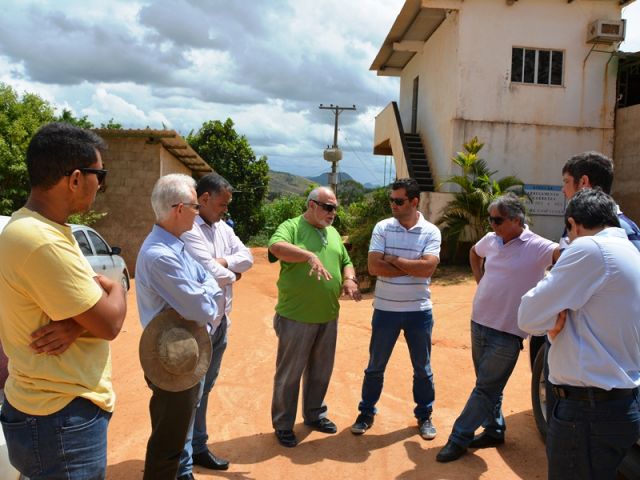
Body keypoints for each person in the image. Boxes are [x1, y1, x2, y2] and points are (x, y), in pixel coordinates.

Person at [0, 122, 127, 478]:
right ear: (75, 179)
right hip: (60, 416)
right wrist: (118, 288)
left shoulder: (36, 228)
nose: (100, 186)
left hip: (46, 409)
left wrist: (76, 323)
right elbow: (111, 322)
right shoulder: (42, 241)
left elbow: (79, 306)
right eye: (98, 175)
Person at [518, 189, 640, 480]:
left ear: (573, 224)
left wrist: (552, 281)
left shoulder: (589, 249)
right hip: (618, 405)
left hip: (587, 413)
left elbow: (527, 316)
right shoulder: (631, 252)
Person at [436, 193, 559, 463]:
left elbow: (566, 259)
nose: (492, 224)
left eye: (497, 220)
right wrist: (481, 279)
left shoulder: (537, 246)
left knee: (486, 388)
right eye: (490, 219)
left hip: (508, 331)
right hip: (479, 322)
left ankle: (458, 437)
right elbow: (473, 253)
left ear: (516, 219)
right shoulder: (491, 240)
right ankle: (494, 429)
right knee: (489, 384)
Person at [136, 174, 222, 480]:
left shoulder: (176, 245)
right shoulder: (161, 255)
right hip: (171, 360)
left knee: (175, 433)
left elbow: (209, 282)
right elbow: (200, 306)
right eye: (195, 206)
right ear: (177, 209)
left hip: (182, 352)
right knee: (168, 443)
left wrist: (206, 291)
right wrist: (209, 295)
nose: (199, 212)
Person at [268, 186, 361, 447]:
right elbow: (276, 247)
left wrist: (350, 279)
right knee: (290, 374)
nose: (333, 213)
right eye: (328, 207)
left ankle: (314, 415)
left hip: (328, 316)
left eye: (335, 208)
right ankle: (283, 424)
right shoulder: (292, 226)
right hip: (296, 317)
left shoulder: (331, 233)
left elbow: (345, 260)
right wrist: (308, 255)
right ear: (311, 205)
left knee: (321, 371)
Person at [350, 178, 441, 439]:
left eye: (399, 201)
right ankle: (366, 412)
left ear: (414, 202)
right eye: (391, 200)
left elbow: (428, 269)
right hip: (385, 310)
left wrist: (392, 259)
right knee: (375, 366)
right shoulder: (383, 227)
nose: (393, 205)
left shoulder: (431, 232)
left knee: (422, 368)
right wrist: (411, 266)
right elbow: (374, 267)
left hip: (419, 312)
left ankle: (424, 416)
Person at [179, 173, 253, 473]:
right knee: (189, 393)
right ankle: (182, 461)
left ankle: (198, 447)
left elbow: (247, 257)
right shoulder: (188, 229)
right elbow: (206, 271)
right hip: (198, 325)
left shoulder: (222, 229)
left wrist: (223, 265)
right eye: (222, 204)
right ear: (204, 198)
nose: (225, 210)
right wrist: (227, 268)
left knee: (205, 388)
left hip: (221, 321)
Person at [560, 151, 640, 250]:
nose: (563, 190)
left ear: (583, 182)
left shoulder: (624, 229)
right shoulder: (576, 221)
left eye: (567, 181)